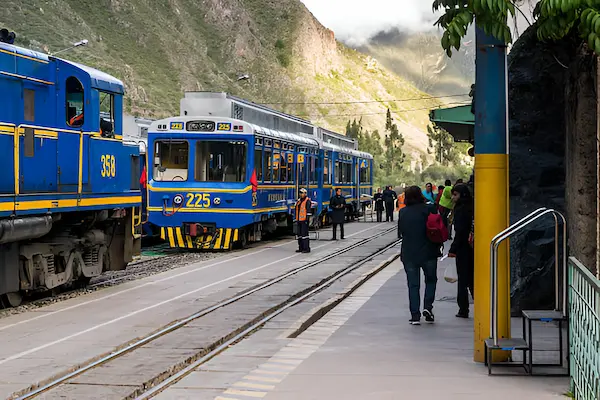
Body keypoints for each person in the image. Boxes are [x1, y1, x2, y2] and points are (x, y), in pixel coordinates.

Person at [397, 186, 441, 325]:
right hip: (429, 252)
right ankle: (428, 307)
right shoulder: (430, 209)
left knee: (413, 285)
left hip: (409, 253)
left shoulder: (403, 212)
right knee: (431, 280)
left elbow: (401, 232)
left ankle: (415, 315)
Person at [448, 184, 475, 318]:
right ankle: (483, 305)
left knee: (463, 280)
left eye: (455, 194)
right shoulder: (474, 206)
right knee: (472, 279)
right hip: (474, 247)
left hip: (464, 249)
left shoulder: (460, 210)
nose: (453, 197)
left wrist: (453, 249)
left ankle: (463, 309)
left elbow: (460, 232)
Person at [295, 188, 312, 253]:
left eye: (302, 193)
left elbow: (308, 211)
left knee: (304, 235)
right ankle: (301, 247)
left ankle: (306, 248)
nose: (301, 194)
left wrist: (307, 220)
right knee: (299, 235)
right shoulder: (299, 201)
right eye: (300, 193)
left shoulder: (307, 201)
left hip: (304, 220)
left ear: (305, 193)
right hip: (299, 220)